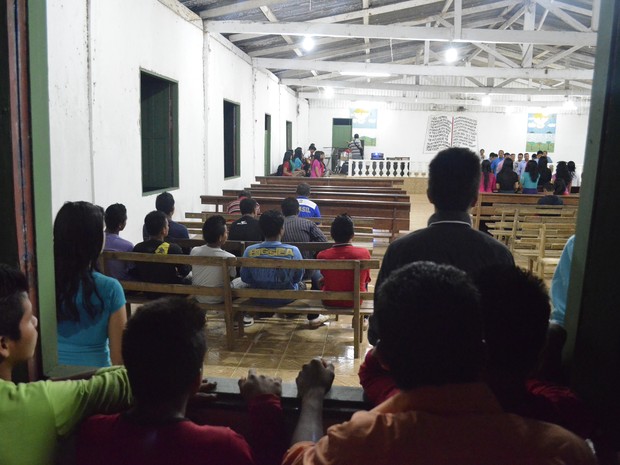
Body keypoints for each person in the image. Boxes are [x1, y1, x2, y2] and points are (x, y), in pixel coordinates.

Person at [283, 262, 596, 465]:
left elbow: (299, 458)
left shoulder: (358, 442)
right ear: (480, 353)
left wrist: (312, 396)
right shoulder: (564, 451)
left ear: (386, 357)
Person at [76, 297, 287, 465]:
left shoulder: (93, 433)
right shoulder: (222, 446)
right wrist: (265, 405)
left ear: (127, 370)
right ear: (197, 380)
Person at [369, 147, 514, 345]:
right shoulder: (499, 254)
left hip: (413, 368)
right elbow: (505, 327)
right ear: (475, 199)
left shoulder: (400, 250)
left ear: (429, 195)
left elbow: (379, 327)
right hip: (474, 370)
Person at [0, 264, 132, 465]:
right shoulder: (41, 403)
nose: (35, 321)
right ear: (3, 344)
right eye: (28, 319)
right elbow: (122, 382)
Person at [54, 201, 127, 367]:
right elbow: (119, 359)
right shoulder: (110, 288)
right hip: (96, 382)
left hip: (50, 381)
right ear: (93, 240)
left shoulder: (42, 285)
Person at [240, 210, 328, 327]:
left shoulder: (249, 250)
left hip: (259, 296)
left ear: (261, 229)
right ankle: (308, 315)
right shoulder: (293, 251)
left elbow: (245, 278)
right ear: (282, 229)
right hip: (286, 297)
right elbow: (298, 278)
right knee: (302, 284)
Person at [281, 198, 329, 326]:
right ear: (298, 211)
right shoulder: (307, 224)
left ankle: (287, 305)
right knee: (318, 277)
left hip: (281, 270)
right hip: (307, 270)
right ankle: (313, 316)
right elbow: (324, 243)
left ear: (282, 212)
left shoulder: (278, 226)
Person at [317, 214, 371, 308]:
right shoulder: (364, 253)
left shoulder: (322, 255)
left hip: (330, 300)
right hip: (356, 300)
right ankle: (364, 318)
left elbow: (324, 277)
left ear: (332, 235)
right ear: (353, 234)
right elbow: (367, 279)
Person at [133, 211, 191, 285]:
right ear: (164, 230)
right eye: (167, 225)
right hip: (170, 289)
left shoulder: (138, 248)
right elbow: (184, 271)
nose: (168, 227)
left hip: (147, 290)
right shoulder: (173, 248)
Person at [103, 203, 134, 280]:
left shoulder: (95, 241)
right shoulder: (127, 246)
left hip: (99, 285)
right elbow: (132, 269)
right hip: (123, 287)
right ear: (120, 225)